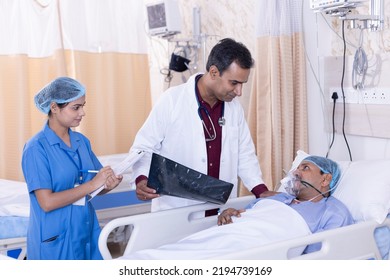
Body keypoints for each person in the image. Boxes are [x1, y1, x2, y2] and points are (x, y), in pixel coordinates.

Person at [130, 38, 274, 212]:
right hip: (177, 209)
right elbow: (144, 147)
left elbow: (245, 154)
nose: (239, 92)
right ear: (214, 72)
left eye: (242, 84)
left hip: (220, 210)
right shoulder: (172, 100)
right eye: (234, 83)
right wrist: (141, 179)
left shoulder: (234, 109)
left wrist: (260, 190)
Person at [21, 77, 123, 260]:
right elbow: (47, 202)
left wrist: (109, 184)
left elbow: (96, 187)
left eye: (83, 106)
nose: (82, 112)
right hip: (55, 240)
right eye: (76, 107)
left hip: (85, 231)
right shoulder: (36, 148)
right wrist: (93, 185)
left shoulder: (81, 142)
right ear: (54, 107)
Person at [217, 155, 355, 254]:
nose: (295, 172)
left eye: (305, 168)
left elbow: (319, 256)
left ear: (325, 179)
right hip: (223, 238)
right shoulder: (277, 197)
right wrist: (229, 214)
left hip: (249, 251)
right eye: (297, 168)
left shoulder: (333, 212)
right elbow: (246, 217)